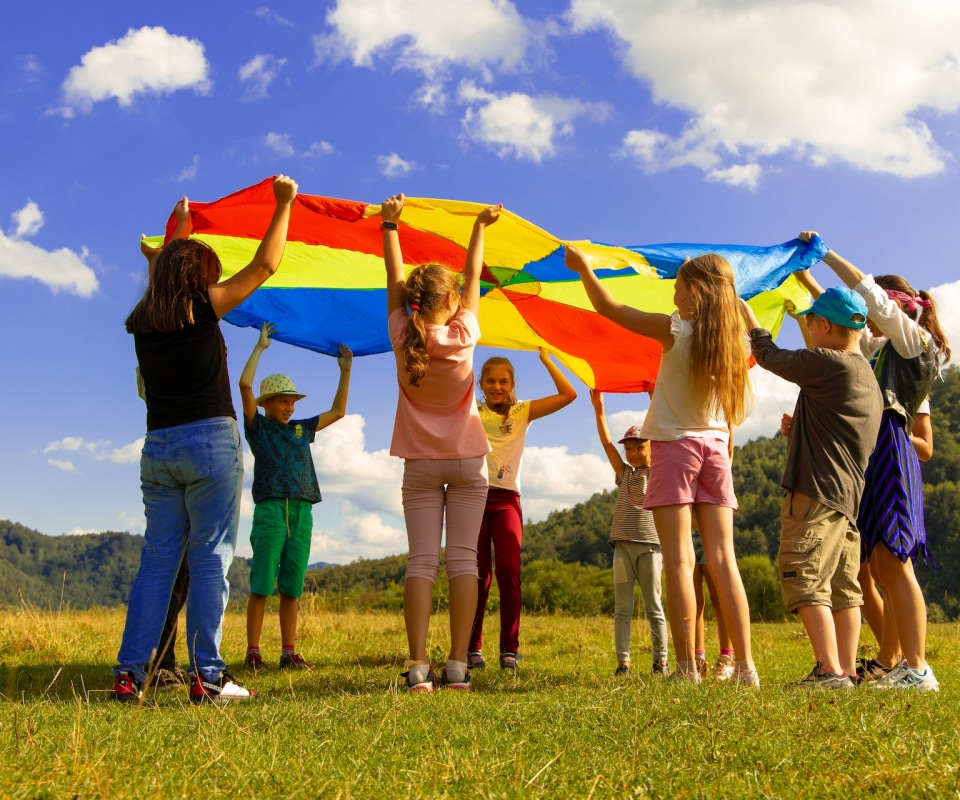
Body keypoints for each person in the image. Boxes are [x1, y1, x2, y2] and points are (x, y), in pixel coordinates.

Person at [114, 175, 298, 705]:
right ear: (197, 277)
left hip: (159, 449)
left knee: (157, 562)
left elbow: (161, 274)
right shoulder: (202, 307)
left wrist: (182, 227)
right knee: (212, 559)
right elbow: (266, 265)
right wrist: (282, 204)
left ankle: (129, 675)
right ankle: (209, 678)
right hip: (210, 445)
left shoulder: (144, 318)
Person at [566, 246, 759, 685]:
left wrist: (584, 268)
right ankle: (747, 668)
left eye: (678, 288)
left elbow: (608, 306)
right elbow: (748, 320)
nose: (674, 297)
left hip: (674, 447)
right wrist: (737, 304)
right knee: (726, 560)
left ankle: (688, 668)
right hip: (715, 449)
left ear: (696, 292)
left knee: (678, 559)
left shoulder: (676, 330)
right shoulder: (737, 341)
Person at [803, 231, 950, 691]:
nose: (868, 320)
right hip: (872, 450)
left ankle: (918, 666)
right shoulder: (881, 347)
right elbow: (847, 322)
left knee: (896, 563)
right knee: (882, 564)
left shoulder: (912, 341)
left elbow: (865, 294)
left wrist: (826, 255)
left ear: (894, 307)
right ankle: (903, 663)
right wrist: (806, 280)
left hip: (892, 448)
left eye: (876, 310)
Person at [382, 193, 501, 692]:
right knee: (464, 562)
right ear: (451, 303)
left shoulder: (400, 333)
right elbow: (475, 277)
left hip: (420, 465)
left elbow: (392, 280)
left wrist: (390, 225)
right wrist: (479, 226)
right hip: (468, 462)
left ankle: (416, 667)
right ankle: (456, 666)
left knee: (422, 562)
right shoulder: (465, 334)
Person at [739, 287, 882, 687]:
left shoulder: (830, 363)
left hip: (816, 491)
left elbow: (770, 357)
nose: (809, 330)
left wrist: (751, 321)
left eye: (810, 322)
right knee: (843, 589)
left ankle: (829, 669)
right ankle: (847, 670)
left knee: (805, 576)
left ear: (824, 324)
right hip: (847, 499)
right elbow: (839, 432)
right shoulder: (864, 374)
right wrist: (798, 428)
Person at [239, 322, 352, 673]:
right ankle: (253, 651)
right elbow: (244, 385)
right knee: (261, 584)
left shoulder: (302, 428)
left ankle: (289, 650)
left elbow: (338, 412)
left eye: (292, 401)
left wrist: (345, 371)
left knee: (292, 586)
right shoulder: (258, 427)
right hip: (271, 509)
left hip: (302, 509)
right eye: (282, 401)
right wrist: (260, 348)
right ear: (267, 404)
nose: (289, 407)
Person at [468, 350, 576, 671]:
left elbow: (568, 394)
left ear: (513, 383)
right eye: (491, 380)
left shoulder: (522, 411)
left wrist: (547, 358)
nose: (497, 386)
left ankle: (509, 650)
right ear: (481, 383)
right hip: (473, 498)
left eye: (503, 381)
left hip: (507, 501)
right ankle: (473, 648)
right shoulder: (471, 409)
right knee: (477, 577)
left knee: (509, 573)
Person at [591, 392, 668, 677]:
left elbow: (664, 431)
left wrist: (655, 399)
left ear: (651, 447)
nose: (634, 452)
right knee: (622, 607)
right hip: (622, 548)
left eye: (640, 446)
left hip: (650, 547)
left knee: (653, 606)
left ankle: (660, 661)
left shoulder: (658, 471)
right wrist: (600, 410)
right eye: (630, 449)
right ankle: (623, 663)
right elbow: (607, 444)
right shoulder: (624, 473)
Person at [692, 525, 735, 680]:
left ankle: (726, 658)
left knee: (718, 598)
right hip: (685, 533)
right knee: (692, 602)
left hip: (710, 531)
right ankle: (698, 660)